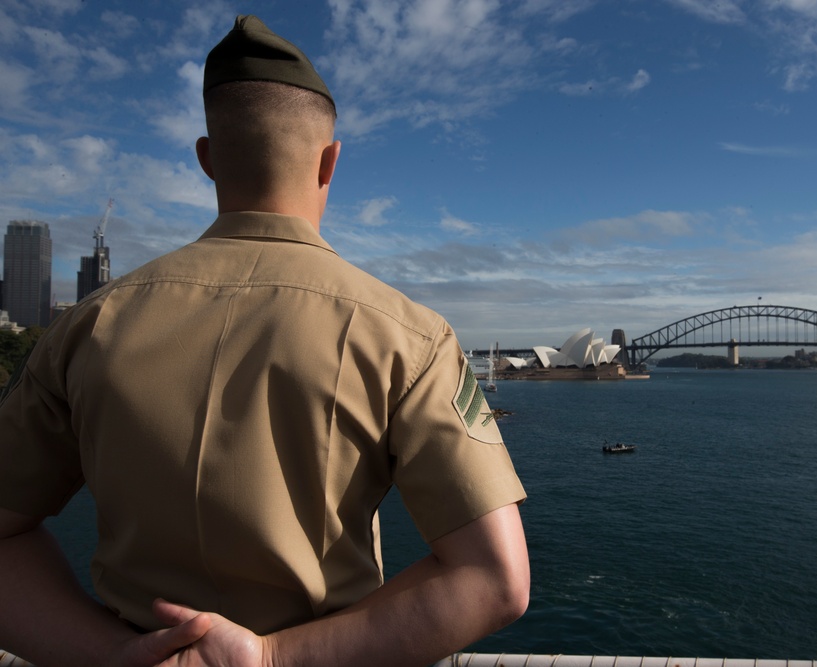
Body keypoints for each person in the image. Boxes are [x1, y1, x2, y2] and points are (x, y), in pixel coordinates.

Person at [0, 15, 529, 667]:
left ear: (207, 158)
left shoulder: (85, 326)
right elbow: (495, 579)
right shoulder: (408, 336)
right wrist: (271, 656)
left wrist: (111, 654)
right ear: (330, 161)